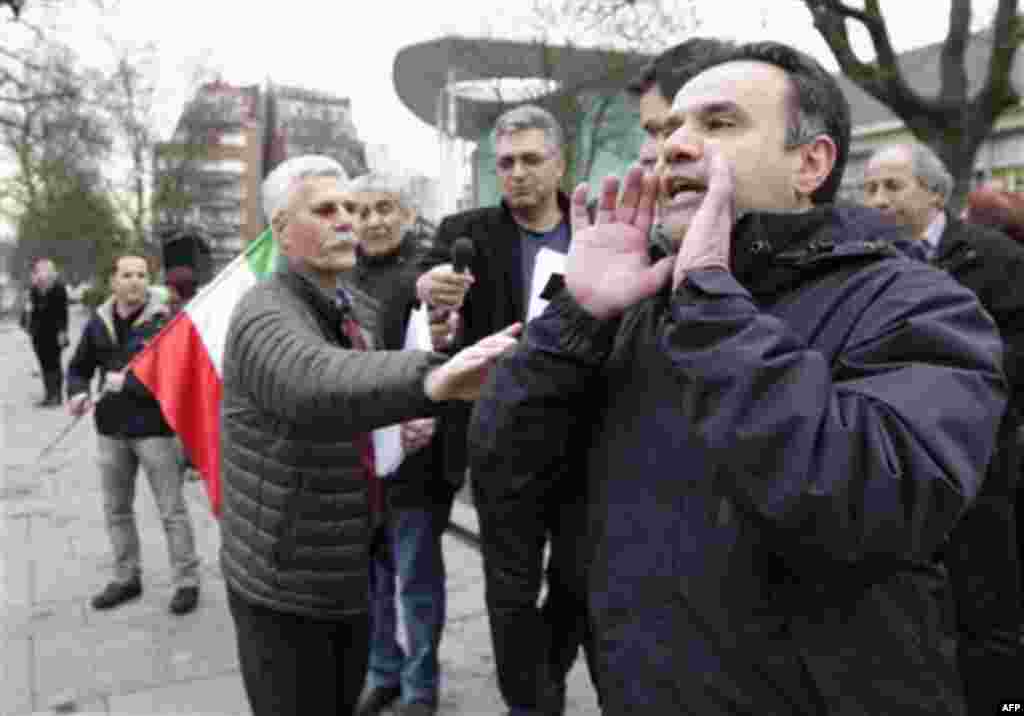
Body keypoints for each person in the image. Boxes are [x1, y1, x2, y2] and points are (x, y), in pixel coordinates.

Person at [469, 41, 1007, 715]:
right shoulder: (637, 305)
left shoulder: (919, 303)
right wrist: (574, 323)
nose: (676, 148)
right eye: (668, 131)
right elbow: (503, 471)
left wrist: (712, 301)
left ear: (811, 162)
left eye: (718, 124)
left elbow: (872, 498)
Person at [218, 155, 520, 716]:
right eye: (326, 209)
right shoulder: (264, 310)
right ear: (282, 230)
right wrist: (431, 377)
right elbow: (314, 379)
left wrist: (393, 428)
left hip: (343, 565)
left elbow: (359, 390)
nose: (347, 221)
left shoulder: (350, 302)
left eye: (351, 209)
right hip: (285, 586)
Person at [416, 105, 601, 716]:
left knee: (577, 581)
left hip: (587, 442)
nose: (516, 174)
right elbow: (432, 298)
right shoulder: (465, 232)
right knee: (510, 590)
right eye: (505, 163)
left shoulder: (599, 227)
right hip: (502, 443)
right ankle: (531, 702)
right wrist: (432, 298)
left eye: (530, 160)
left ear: (560, 163)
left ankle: (543, 672)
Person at [863, 142, 1024, 712]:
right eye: (870, 188)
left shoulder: (993, 256)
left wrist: (953, 384)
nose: (878, 200)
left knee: (987, 603)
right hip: (898, 463)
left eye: (893, 186)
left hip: (982, 464)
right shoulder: (862, 260)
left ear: (935, 192)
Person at [342, 171, 455, 716]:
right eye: (361, 212)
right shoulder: (340, 279)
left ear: (406, 215)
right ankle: (383, 670)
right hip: (359, 460)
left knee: (415, 581)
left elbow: (446, 353)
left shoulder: (426, 275)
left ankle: (420, 687)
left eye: (384, 208)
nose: (374, 220)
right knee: (372, 581)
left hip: (413, 458)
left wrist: (433, 412)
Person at [66, 252, 201, 615]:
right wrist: (76, 392)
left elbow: (177, 376)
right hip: (111, 430)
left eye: (141, 275)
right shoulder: (98, 322)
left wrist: (132, 384)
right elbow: (78, 367)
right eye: (127, 275)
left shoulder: (166, 322)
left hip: (154, 430)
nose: (135, 281)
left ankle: (187, 581)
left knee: (172, 510)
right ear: (114, 281)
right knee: (117, 509)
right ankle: (127, 577)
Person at [22, 257, 69, 407]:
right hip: (38, 333)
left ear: (50, 271)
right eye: (37, 270)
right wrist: (27, 325)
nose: (40, 273)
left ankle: (56, 396)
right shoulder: (34, 289)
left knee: (54, 364)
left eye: (43, 269)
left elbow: (63, 313)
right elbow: (29, 310)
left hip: (54, 333)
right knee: (44, 365)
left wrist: (63, 332)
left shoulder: (58, 287)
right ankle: (49, 395)